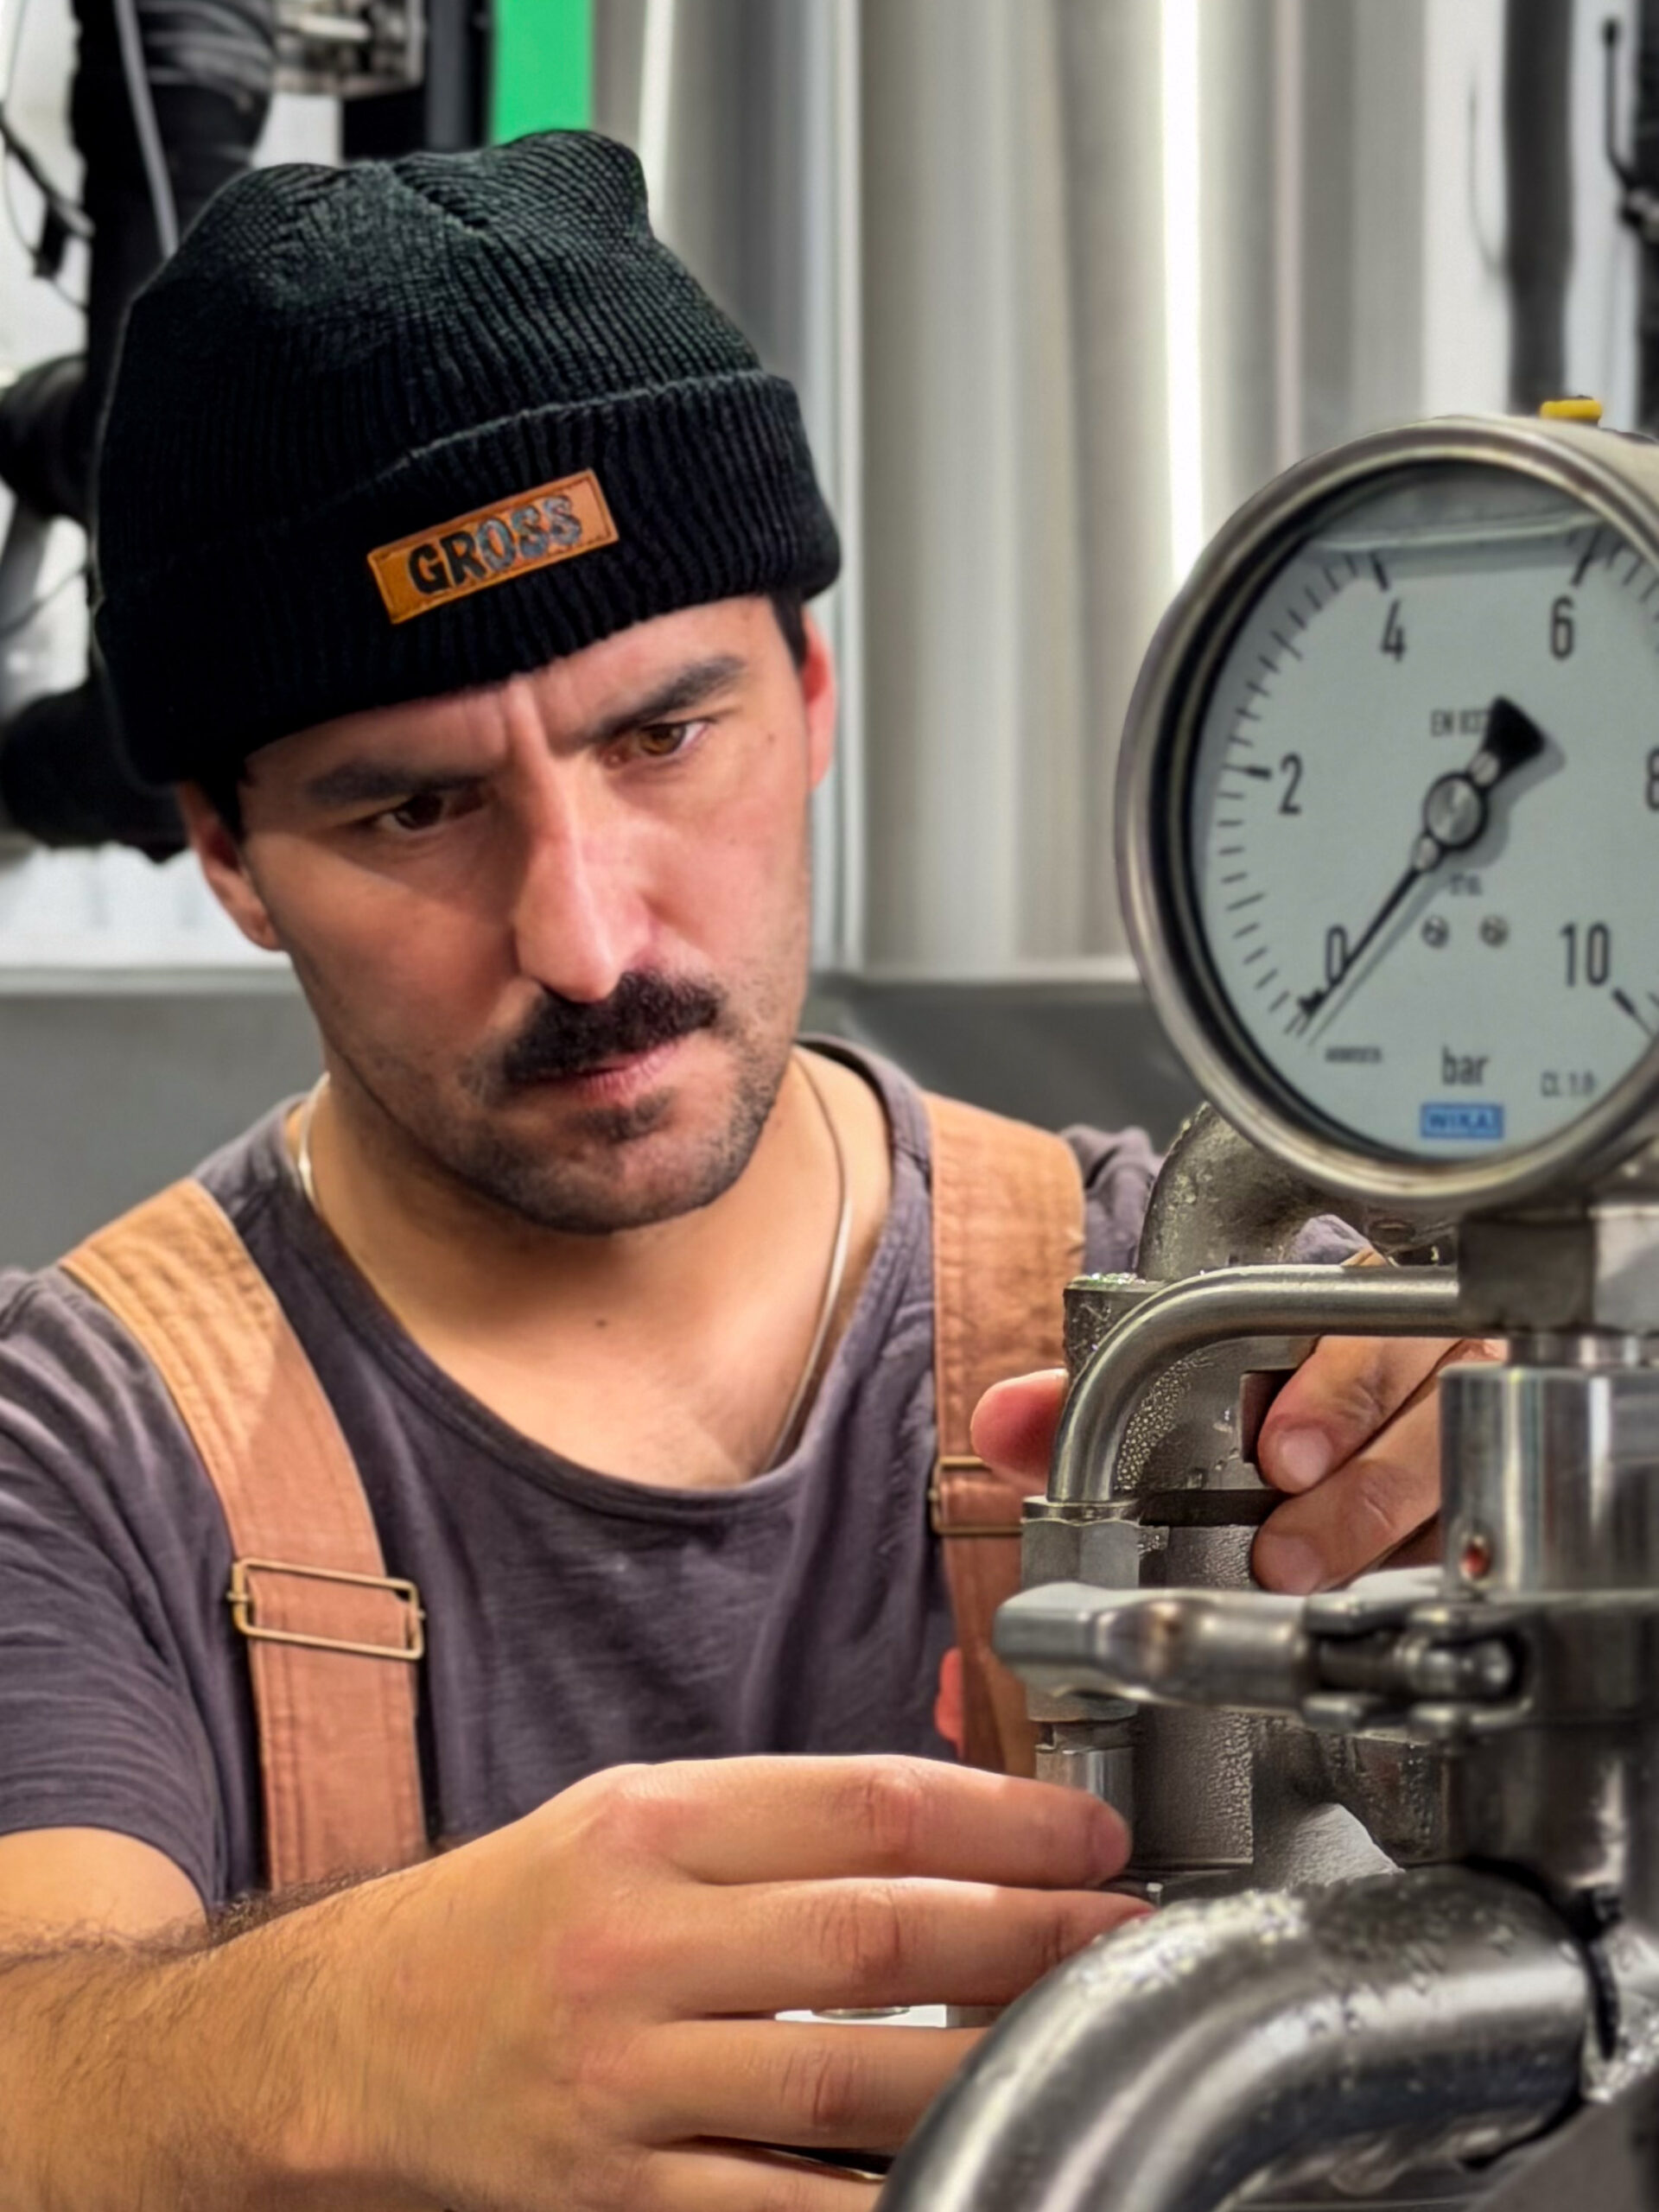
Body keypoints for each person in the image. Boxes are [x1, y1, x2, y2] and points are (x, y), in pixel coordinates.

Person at [0, 133, 1478, 2207]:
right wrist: (338, 2032)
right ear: (232, 855)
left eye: (660, 735)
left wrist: (1532, 1485)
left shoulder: (1200, 1304)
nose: (586, 937)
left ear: (808, 689)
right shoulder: (80, 1447)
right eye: (414, 809)